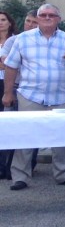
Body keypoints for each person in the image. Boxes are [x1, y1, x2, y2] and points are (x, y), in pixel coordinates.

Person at [2, 3, 65, 190]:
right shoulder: (23, 39)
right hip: (30, 94)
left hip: (60, 96)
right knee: (25, 136)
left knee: (62, 137)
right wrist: (8, 93)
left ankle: (63, 174)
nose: (48, 18)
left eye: (52, 15)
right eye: (43, 15)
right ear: (38, 18)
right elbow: (11, 66)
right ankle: (20, 177)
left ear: (59, 19)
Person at [0, 10, 19, 180]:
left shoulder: (16, 41)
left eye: (3, 19)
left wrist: (5, 64)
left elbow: (11, 65)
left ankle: (7, 166)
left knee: (9, 126)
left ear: (10, 22)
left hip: (7, 84)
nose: (0, 23)